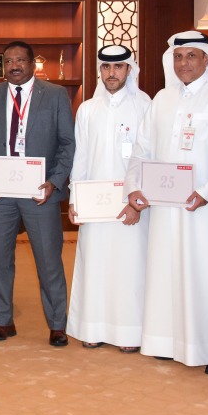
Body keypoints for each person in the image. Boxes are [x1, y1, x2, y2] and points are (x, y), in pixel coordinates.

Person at [126, 31, 208, 369]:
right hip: (164, 206)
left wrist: (207, 191)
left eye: (191, 56)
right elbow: (141, 151)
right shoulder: (162, 99)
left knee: (205, 272)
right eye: (178, 57)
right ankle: (166, 340)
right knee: (165, 268)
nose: (183, 63)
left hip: (205, 207)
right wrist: (134, 187)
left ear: (206, 60)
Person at [0, 41, 75, 347]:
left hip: (39, 192)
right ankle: (3, 321)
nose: (14, 66)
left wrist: (55, 182)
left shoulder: (56, 95)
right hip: (0, 194)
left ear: (32, 64)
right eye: (8, 62)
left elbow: (68, 144)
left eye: (20, 60)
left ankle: (57, 324)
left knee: (48, 260)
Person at [65, 45, 150, 352]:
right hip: (95, 204)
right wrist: (75, 198)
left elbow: (147, 158)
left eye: (119, 68)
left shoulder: (144, 105)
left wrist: (136, 202)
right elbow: (82, 157)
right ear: (100, 71)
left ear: (129, 70)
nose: (112, 74)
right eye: (106, 68)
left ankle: (129, 333)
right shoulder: (88, 109)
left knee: (130, 267)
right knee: (95, 265)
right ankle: (93, 327)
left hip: (130, 204)